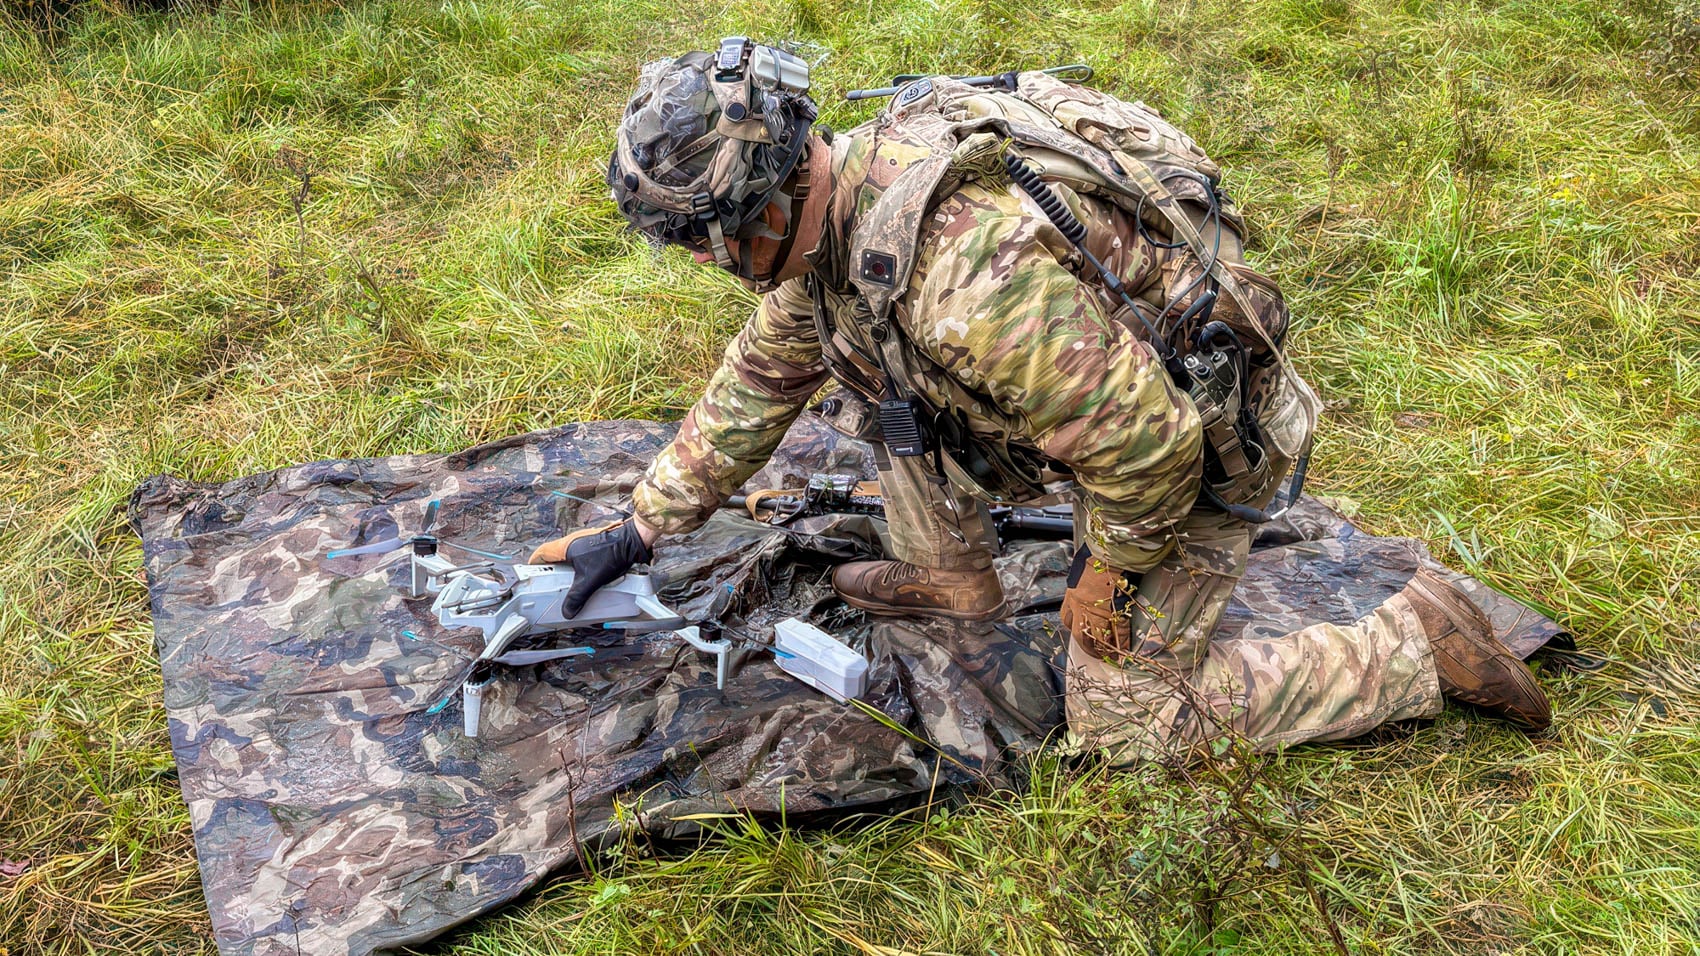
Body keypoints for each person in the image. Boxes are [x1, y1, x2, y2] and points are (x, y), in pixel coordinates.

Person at [531, 40, 1549, 760]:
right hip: (1094, 402)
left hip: (1195, 442)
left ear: (760, 208)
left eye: (705, 242)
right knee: (871, 371)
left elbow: (1150, 449)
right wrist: (635, 527)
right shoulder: (841, 209)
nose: (707, 265)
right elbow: (758, 380)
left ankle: (1417, 643)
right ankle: (954, 578)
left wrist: (1108, 568)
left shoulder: (961, 280)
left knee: (1125, 719)